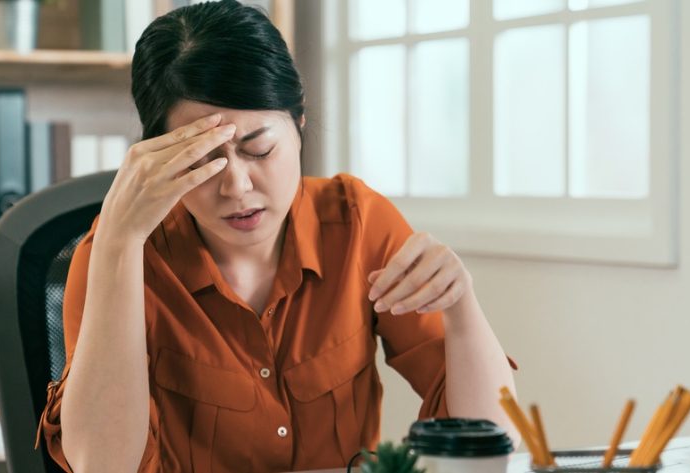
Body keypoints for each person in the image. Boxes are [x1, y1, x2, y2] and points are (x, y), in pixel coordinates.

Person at [36, 1, 519, 471]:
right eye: (203, 161)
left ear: (299, 124)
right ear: (156, 156)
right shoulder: (116, 256)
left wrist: (461, 309)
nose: (237, 186)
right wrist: (120, 244)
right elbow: (100, 466)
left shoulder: (357, 224)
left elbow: (494, 441)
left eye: (260, 149)